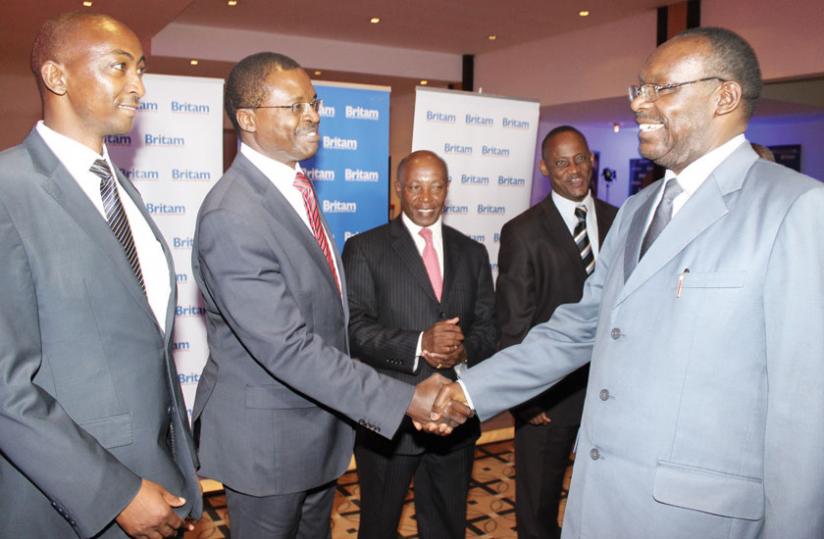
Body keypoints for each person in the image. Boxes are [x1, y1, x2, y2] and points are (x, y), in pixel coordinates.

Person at [432, 27, 824, 538]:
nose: (641, 103)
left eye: (663, 88)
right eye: (639, 88)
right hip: (600, 504)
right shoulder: (638, 210)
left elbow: (805, 413)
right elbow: (579, 327)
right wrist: (467, 391)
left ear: (724, 96)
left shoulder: (795, 207)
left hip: (697, 520)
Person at [191, 53, 462, 538]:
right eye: (294, 106)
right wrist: (405, 400)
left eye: (313, 102)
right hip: (268, 448)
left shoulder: (294, 188)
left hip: (315, 434)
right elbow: (288, 346)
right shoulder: (232, 214)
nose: (313, 115)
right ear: (248, 119)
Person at [0, 12, 201, 538]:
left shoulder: (123, 191)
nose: (139, 85)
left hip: (158, 483)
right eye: (119, 67)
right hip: (70, 502)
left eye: (141, 68)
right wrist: (113, 493)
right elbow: (6, 387)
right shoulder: (7, 189)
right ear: (57, 76)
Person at [342, 150, 497, 538]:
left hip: (456, 418)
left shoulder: (473, 252)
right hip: (390, 420)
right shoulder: (365, 248)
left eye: (436, 187)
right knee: (378, 526)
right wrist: (419, 343)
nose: (426, 198)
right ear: (398, 190)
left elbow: (488, 327)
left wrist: (463, 351)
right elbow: (354, 329)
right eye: (415, 187)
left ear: (448, 190)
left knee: (447, 526)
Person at [497, 127, 617, 539]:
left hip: (615, 394)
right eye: (562, 163)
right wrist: (526, 395)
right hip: (550, 396)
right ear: (546, 168)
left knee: (604, 500)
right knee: (538, 506)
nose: (574, 171)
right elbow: (514, 321)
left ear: (592, 159)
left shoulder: (621, 220)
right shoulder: (523, 231)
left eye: (580, 159)